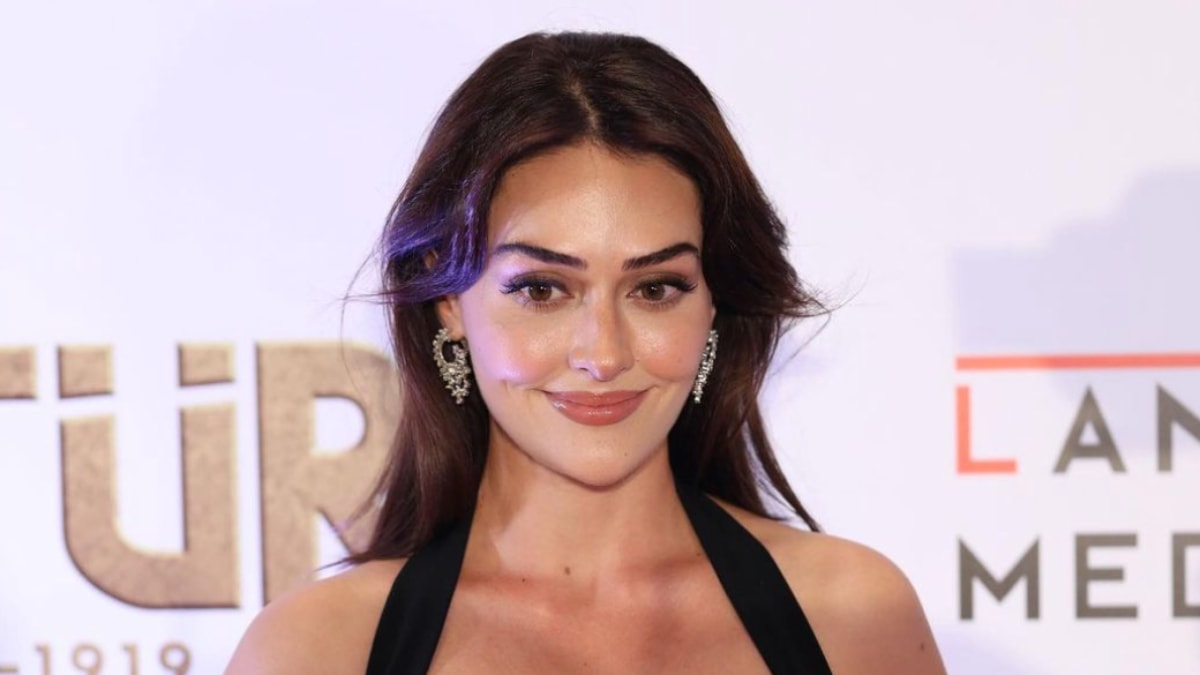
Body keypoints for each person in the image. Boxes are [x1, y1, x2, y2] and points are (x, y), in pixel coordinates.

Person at [226, 31, 947, 675]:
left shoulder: (851, 620)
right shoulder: (319, 650)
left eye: (655, 288)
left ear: (714, 303)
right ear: (448, 300)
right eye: (542, 289)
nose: (603, 353)